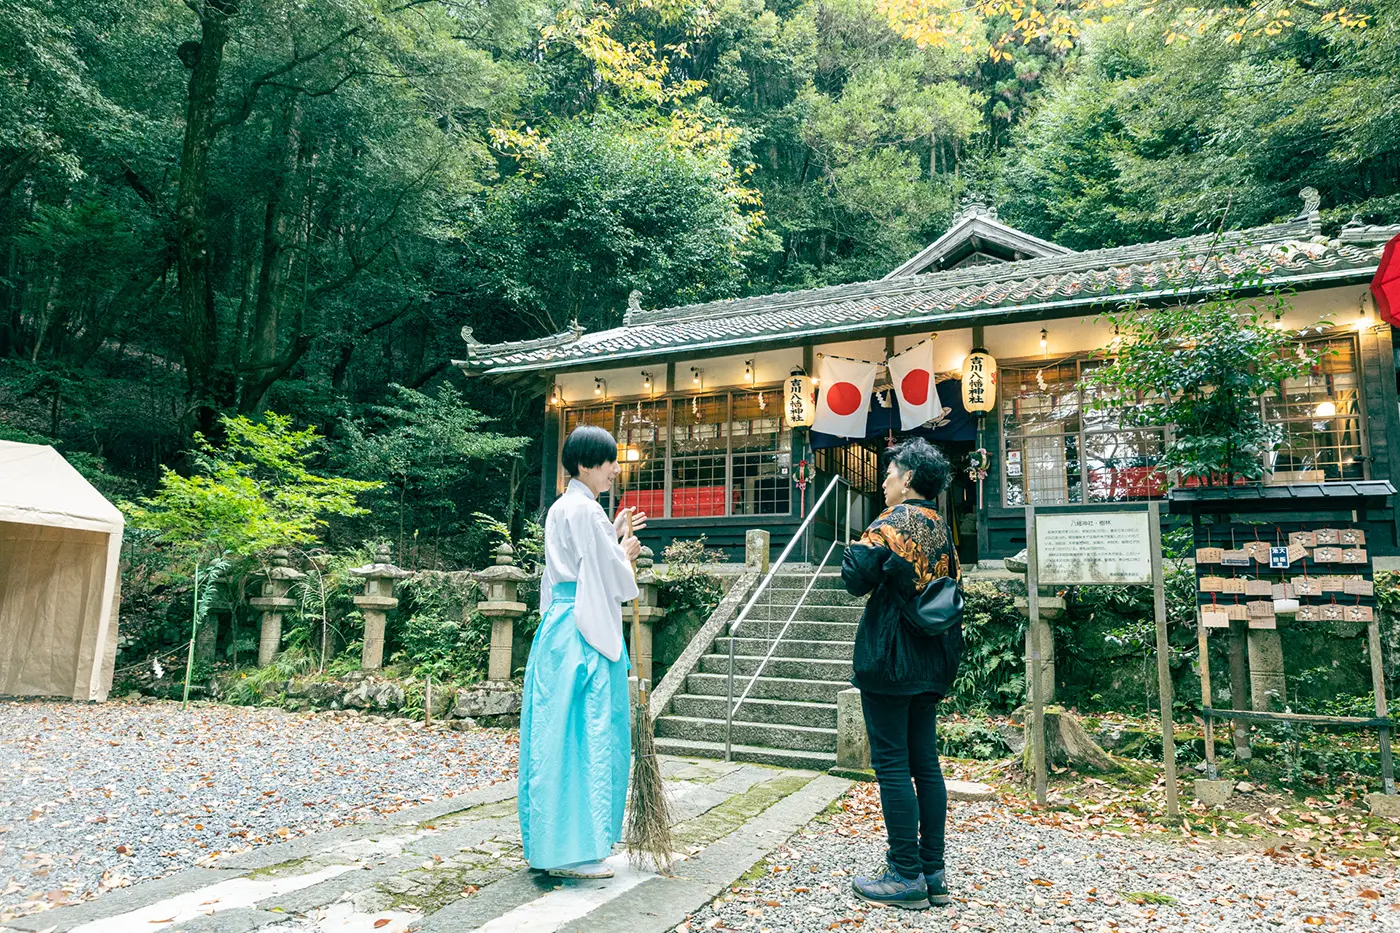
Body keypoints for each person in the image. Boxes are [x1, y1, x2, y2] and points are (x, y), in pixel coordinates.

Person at [841, 437, 962, 910]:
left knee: (891, 765)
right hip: (933, 654)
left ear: (908, 479)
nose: (885, 479)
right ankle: (933, 871)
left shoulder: (889, 523)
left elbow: (854, 580)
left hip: (891, 656)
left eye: (891, 472)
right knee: (925, 765)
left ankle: (904, 874)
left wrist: (859, 546)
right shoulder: (941, 525)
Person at [518, 425, 644, 880]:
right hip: (585, 636)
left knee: (556, 736)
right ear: (588, 463)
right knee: (591, 734)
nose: (615, 469)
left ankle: (552, 841)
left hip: (558, 629)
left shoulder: (561, 507)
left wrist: (611, 536)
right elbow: (612, 579)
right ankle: (580, 850)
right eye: (609, 461)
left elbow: (569, 570)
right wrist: (625, 552)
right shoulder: (588, 512)